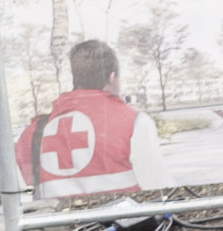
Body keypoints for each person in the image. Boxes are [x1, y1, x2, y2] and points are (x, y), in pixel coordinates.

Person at [13, 40, 164, 201]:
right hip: (125, 224)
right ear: (112, 78)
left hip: (61, 225)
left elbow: (22, 198)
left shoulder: (32, 133)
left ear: (76, 78)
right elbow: (161, 189)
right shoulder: (134, 123)